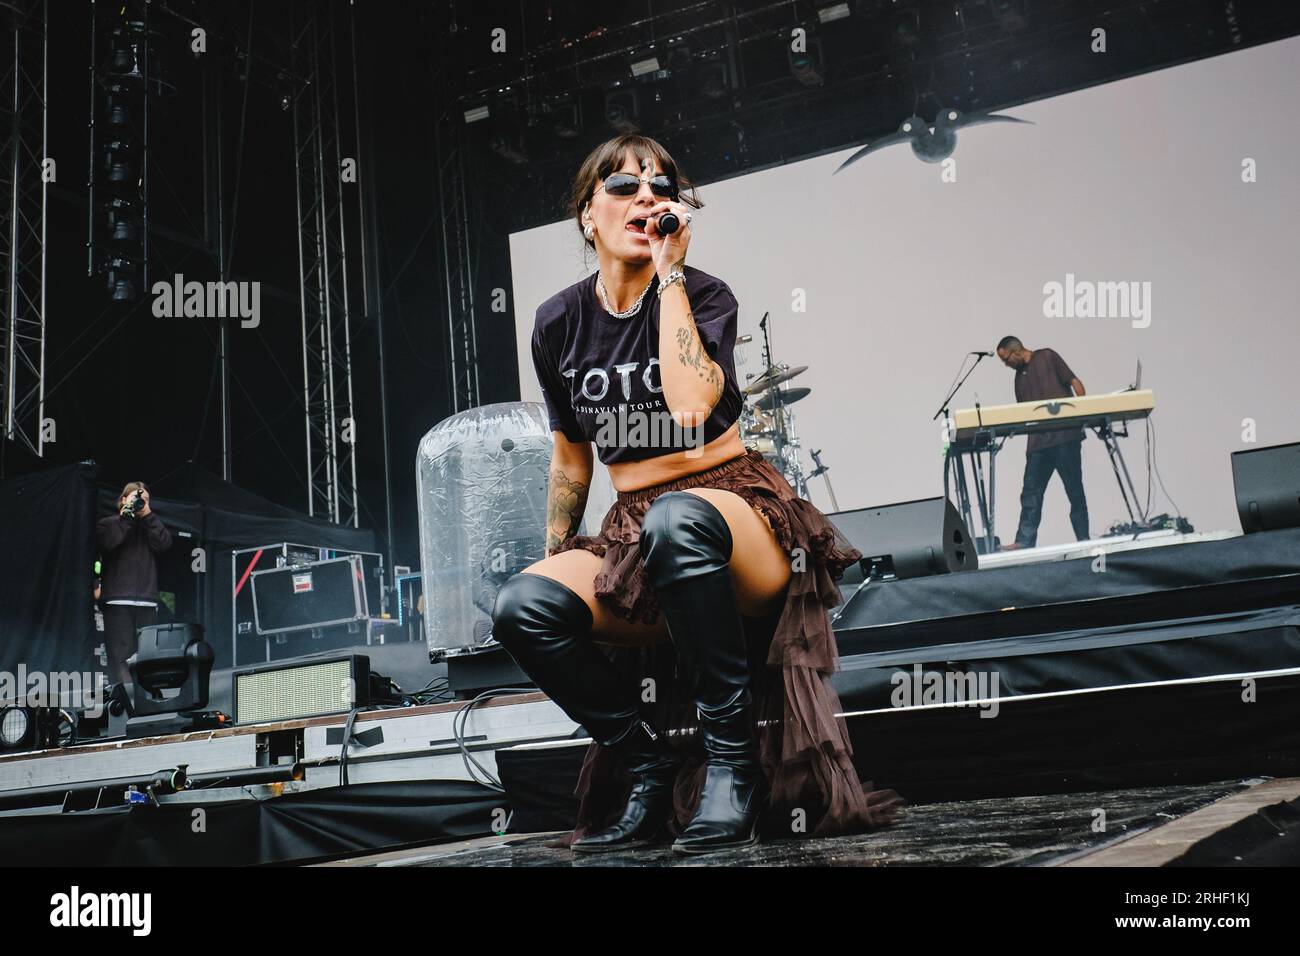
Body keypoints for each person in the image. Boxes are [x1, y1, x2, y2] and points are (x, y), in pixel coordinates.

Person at [491, 133, 903, 855]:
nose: (647, 197)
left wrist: (669, 275)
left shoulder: (704, 293)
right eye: (625, 186)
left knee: (680, 520)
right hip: (633, 523)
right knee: (523, 605)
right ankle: (648, 764)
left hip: (733, 507)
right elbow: (570, 453)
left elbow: (687, 411)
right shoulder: (557, 322)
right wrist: (559, 558)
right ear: (588, 214)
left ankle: (733, 767)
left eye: (662, 186)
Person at [995, 336, 1090, 549]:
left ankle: (1084, 539)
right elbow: (1024, 413)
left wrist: (1084, 410)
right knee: (1030, 493)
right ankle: (1024, 542)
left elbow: (1073, 381)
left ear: (1016, 351)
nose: (1006, 364)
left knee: (1074, 489)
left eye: (1006, 359)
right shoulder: (1019, 379)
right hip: (1038, 444)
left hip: (1065, 437)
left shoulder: (1047, 356)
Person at [95, 481, 173, 684]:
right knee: (121, 655)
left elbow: (164, 544)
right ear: (122, 500)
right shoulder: (108, 523)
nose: (140, 502)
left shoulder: (150, 525)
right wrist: (127, 516)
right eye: (136, 498)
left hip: (147, 601)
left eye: (145, 500)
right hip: (118, 601)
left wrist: (147, 514)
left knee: (146, 655)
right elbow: (108, 543)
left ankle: (145, 697)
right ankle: (126, 701)